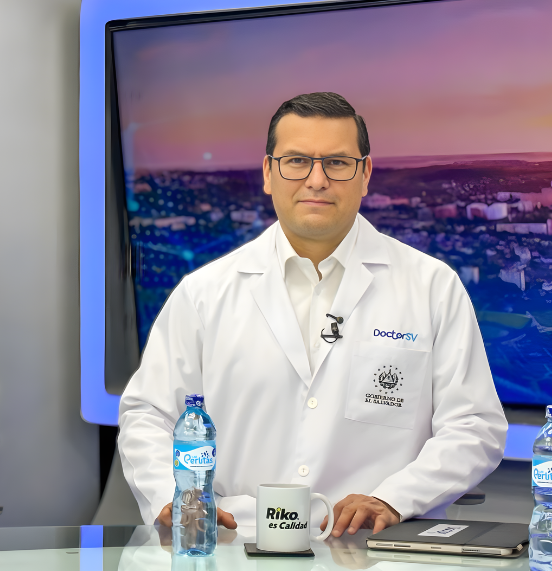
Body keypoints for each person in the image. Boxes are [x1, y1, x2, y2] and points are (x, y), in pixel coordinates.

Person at [118, 92, 507, 537]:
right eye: (297, 161)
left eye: (337, 163)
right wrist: (172, 495)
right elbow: (148, 414)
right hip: (235, 542)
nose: (317, 180)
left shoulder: (432, 287)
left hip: (376, 552)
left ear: (365, 174)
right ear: (268, 173)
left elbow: (474, 426)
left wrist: (395, 498)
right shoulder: (204, 294)